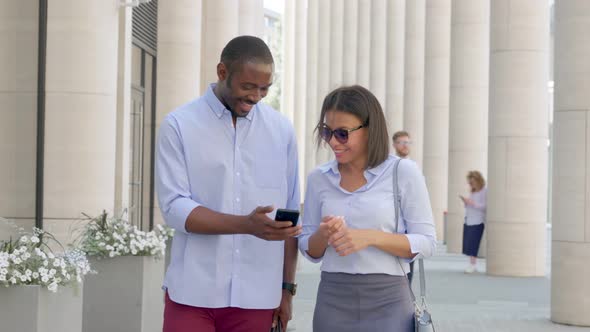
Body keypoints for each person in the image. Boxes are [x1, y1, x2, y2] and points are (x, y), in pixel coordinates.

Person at [155, 36, 302, 332]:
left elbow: (291, 215)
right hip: (193, 293)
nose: (256, 96)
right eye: (248, 87)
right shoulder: (179, 125)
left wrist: (286, 289)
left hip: (258, 296)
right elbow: (175, 208)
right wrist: (245, 224)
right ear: (222, 72)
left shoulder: (281, 130)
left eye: (264, 89)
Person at [299, 86, 437, 331]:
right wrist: (324, 234)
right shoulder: (318, 178)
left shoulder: (402, 172)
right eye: (326, 132)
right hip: (332, 299)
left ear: (369, 129)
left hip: (390, 301)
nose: (332, 141)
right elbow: (310, 251)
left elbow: (427, 242)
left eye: (342, 133)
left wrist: (370, 237)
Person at [391, 130, 416, 284]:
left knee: (409, 269)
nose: (405, 145)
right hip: (394, 223)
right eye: (402, 142)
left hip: (410, 225)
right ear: (394, 145)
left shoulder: (414, 167)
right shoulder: (390, 166)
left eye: (407, 142)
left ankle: (407, 301)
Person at [460, 171, 487, 274]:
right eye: (470, 183)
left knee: (474, 243)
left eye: (472, 182)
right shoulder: (473, 192)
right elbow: (469, 206)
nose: (471, 185)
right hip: (469, 220)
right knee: (468, 243)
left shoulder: (484, 191)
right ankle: (472, 264)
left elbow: (484, 206)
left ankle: (473, 265)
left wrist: (472, 203)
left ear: (478, 181)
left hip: (478, 221)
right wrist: (466, 203)